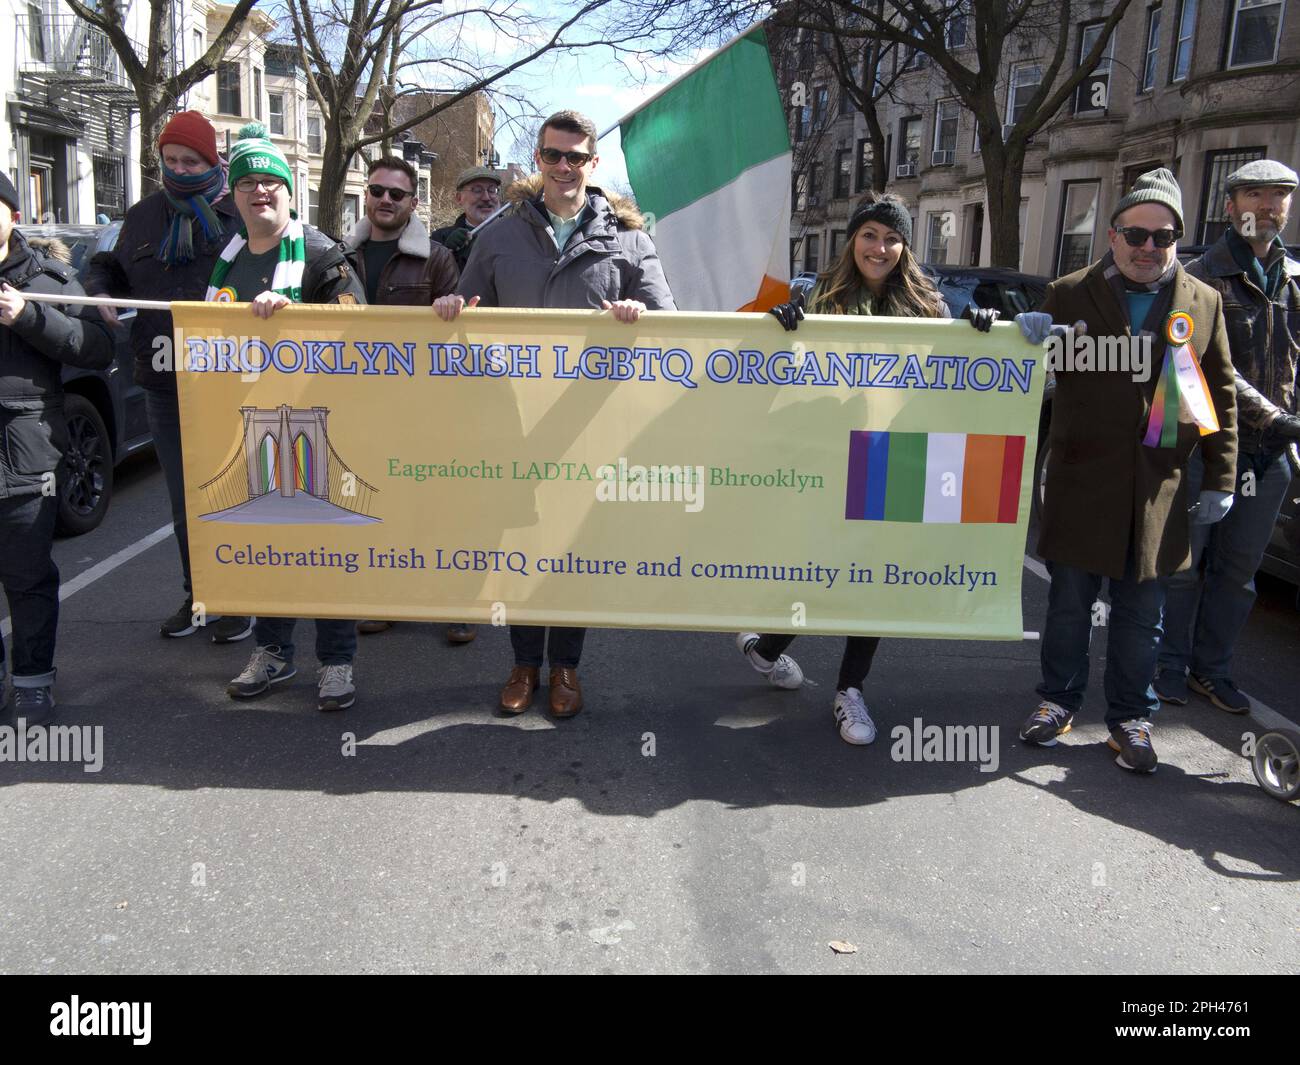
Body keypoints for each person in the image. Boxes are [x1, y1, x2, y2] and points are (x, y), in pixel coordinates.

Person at [434, 109, 676, 718]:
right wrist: (450, 306)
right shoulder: (498, 233)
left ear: (593, 164)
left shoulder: (630, 239)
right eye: (552, 156)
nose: (564, 167)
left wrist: (636, 315)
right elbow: (468, 306)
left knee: (572, 548)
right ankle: (523, 664)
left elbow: (673, 326)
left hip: (590, 424)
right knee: (522, 544)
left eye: (575, 157)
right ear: (538, 161)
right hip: (514, 420)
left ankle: (565, 666)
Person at [747, 191, 997, 745]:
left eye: (891, 237)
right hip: (828, 458)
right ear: (852, 239)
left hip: (894, 460)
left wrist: (981, 333)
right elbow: (772, 370)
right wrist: (780, 324)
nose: (879, 247)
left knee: (876, 577)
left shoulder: (930, 307)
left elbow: (954, 376)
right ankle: (767, 646)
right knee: (824, 569)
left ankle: (849, 691)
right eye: (869, 235)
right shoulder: (817, 296)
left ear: (904, 245)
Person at [1017, 168, 1237, 773]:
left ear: (1176, 241)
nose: (1147, 247)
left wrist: (1221, 478)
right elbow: (1033, 377)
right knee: (1068, 608)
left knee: (1143, 616)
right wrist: (1029, 344)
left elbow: (1216, 394)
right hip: (1081, 483)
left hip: (1157, 492)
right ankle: (1057, 703)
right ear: (1112, 236)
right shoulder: (1067, 291)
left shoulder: (1204, 302)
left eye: (1162, 237)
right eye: (1135, 234)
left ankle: (1130, 719)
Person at [212, 124, 368, 712]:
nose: (260, 192)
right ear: (233, 195)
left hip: (318, 424)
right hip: (243, 423)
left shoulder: (324, 254)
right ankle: (274, 651)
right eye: (248, 182)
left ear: (288, 190)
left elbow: (359, 327)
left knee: (326, 546)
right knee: (266, 543)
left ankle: (336, 661)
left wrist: (298, 313)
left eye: (271, 181)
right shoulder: (223, 260)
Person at [84, 111, 251, 642]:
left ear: (212, 161)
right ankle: (198, 593)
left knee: (235, 492)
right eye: (171, 160)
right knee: (186, 500)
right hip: (161, 381)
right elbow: (107, 266)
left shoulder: (240, 214)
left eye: (191, 160)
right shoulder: (141, 217)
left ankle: (242, 600)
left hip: (229, 383)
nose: (179, 170)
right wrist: (101, 290)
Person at [1155, 160, 1300, 714]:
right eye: (1256, 195)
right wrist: (1274, 417)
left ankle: (1210, 672)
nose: (1268, 206)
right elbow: (1201, 367)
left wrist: (1284, 429)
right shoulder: (1199, 276)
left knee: (1238, 576)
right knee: (1185, 568)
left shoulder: (1292, 279)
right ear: (1230, 205)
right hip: (1205, 447)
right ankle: (1167, 666)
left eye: (1280, 196)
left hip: (1271, 457)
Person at [0, 172, 114, 722]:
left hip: (23, 452)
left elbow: (95, 346)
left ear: (12, 216)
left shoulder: (47, 278)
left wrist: (28, 317)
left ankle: (32, 681)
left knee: (25, 576)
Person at [344, 155, 469, 643]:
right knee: (380, 506)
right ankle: (385, 598)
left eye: (397, 194)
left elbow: (461, 331)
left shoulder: (437, 258)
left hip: (424, 408)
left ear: (413, 203)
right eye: (378, 191)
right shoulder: (339, 256)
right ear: (367, 195)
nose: (386, 200)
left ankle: (456, 604)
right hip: (361, 406)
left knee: (436, 507)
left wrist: (451, 308)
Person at [431, 166, 502, 271]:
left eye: (492, 190)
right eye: (477, 190)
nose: (486, 197)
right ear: (459, 198)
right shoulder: (439, 239)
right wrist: (447, 254)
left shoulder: (517, 235)